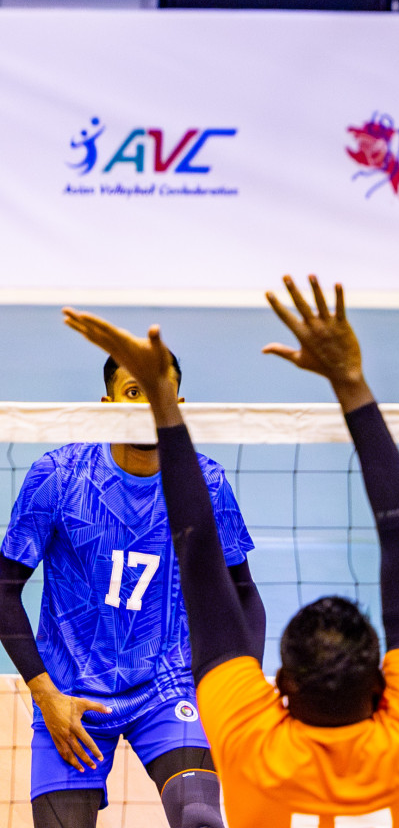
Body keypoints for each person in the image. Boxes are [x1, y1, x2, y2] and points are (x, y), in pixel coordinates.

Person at [59, 275, 399, 828]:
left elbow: (196, 555)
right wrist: (352, 382)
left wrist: (159, 402)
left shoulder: (251, 742)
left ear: (281, 688)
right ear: (384, 687)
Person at [0, 352, 262, 828]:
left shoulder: (206, 484)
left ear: (176, 404)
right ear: (109, 404)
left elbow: (243, 594)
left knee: (201, 817)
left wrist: (243, 693)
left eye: (157, 392)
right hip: (71, 691)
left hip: (168, 685)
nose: (146, 405)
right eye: (133, 392)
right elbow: (2, 590)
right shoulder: (59, 478)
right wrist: (45, 695)